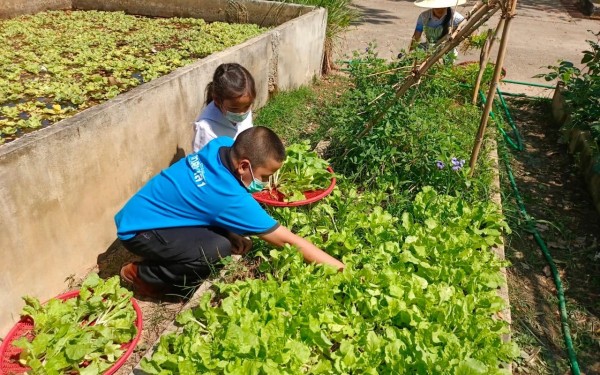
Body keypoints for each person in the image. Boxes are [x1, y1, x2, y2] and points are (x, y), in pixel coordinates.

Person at [116, 126, 344, 299]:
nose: (264, 184)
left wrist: (229, 230)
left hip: (145, 211)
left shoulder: (222, 146)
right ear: (243, 166)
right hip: (138, 231)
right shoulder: (227, 197)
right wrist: (342, 271)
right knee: (217, 249)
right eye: (264, 177)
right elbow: (286, 240)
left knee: (225, 238)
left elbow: (203, 203)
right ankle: (142, 276)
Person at [192, 63, 256, 153]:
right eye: (234, 109)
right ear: (218, 101)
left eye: (247, 106)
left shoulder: (243, 107)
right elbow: (202, 163)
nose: (242, 113)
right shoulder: (205, 129)